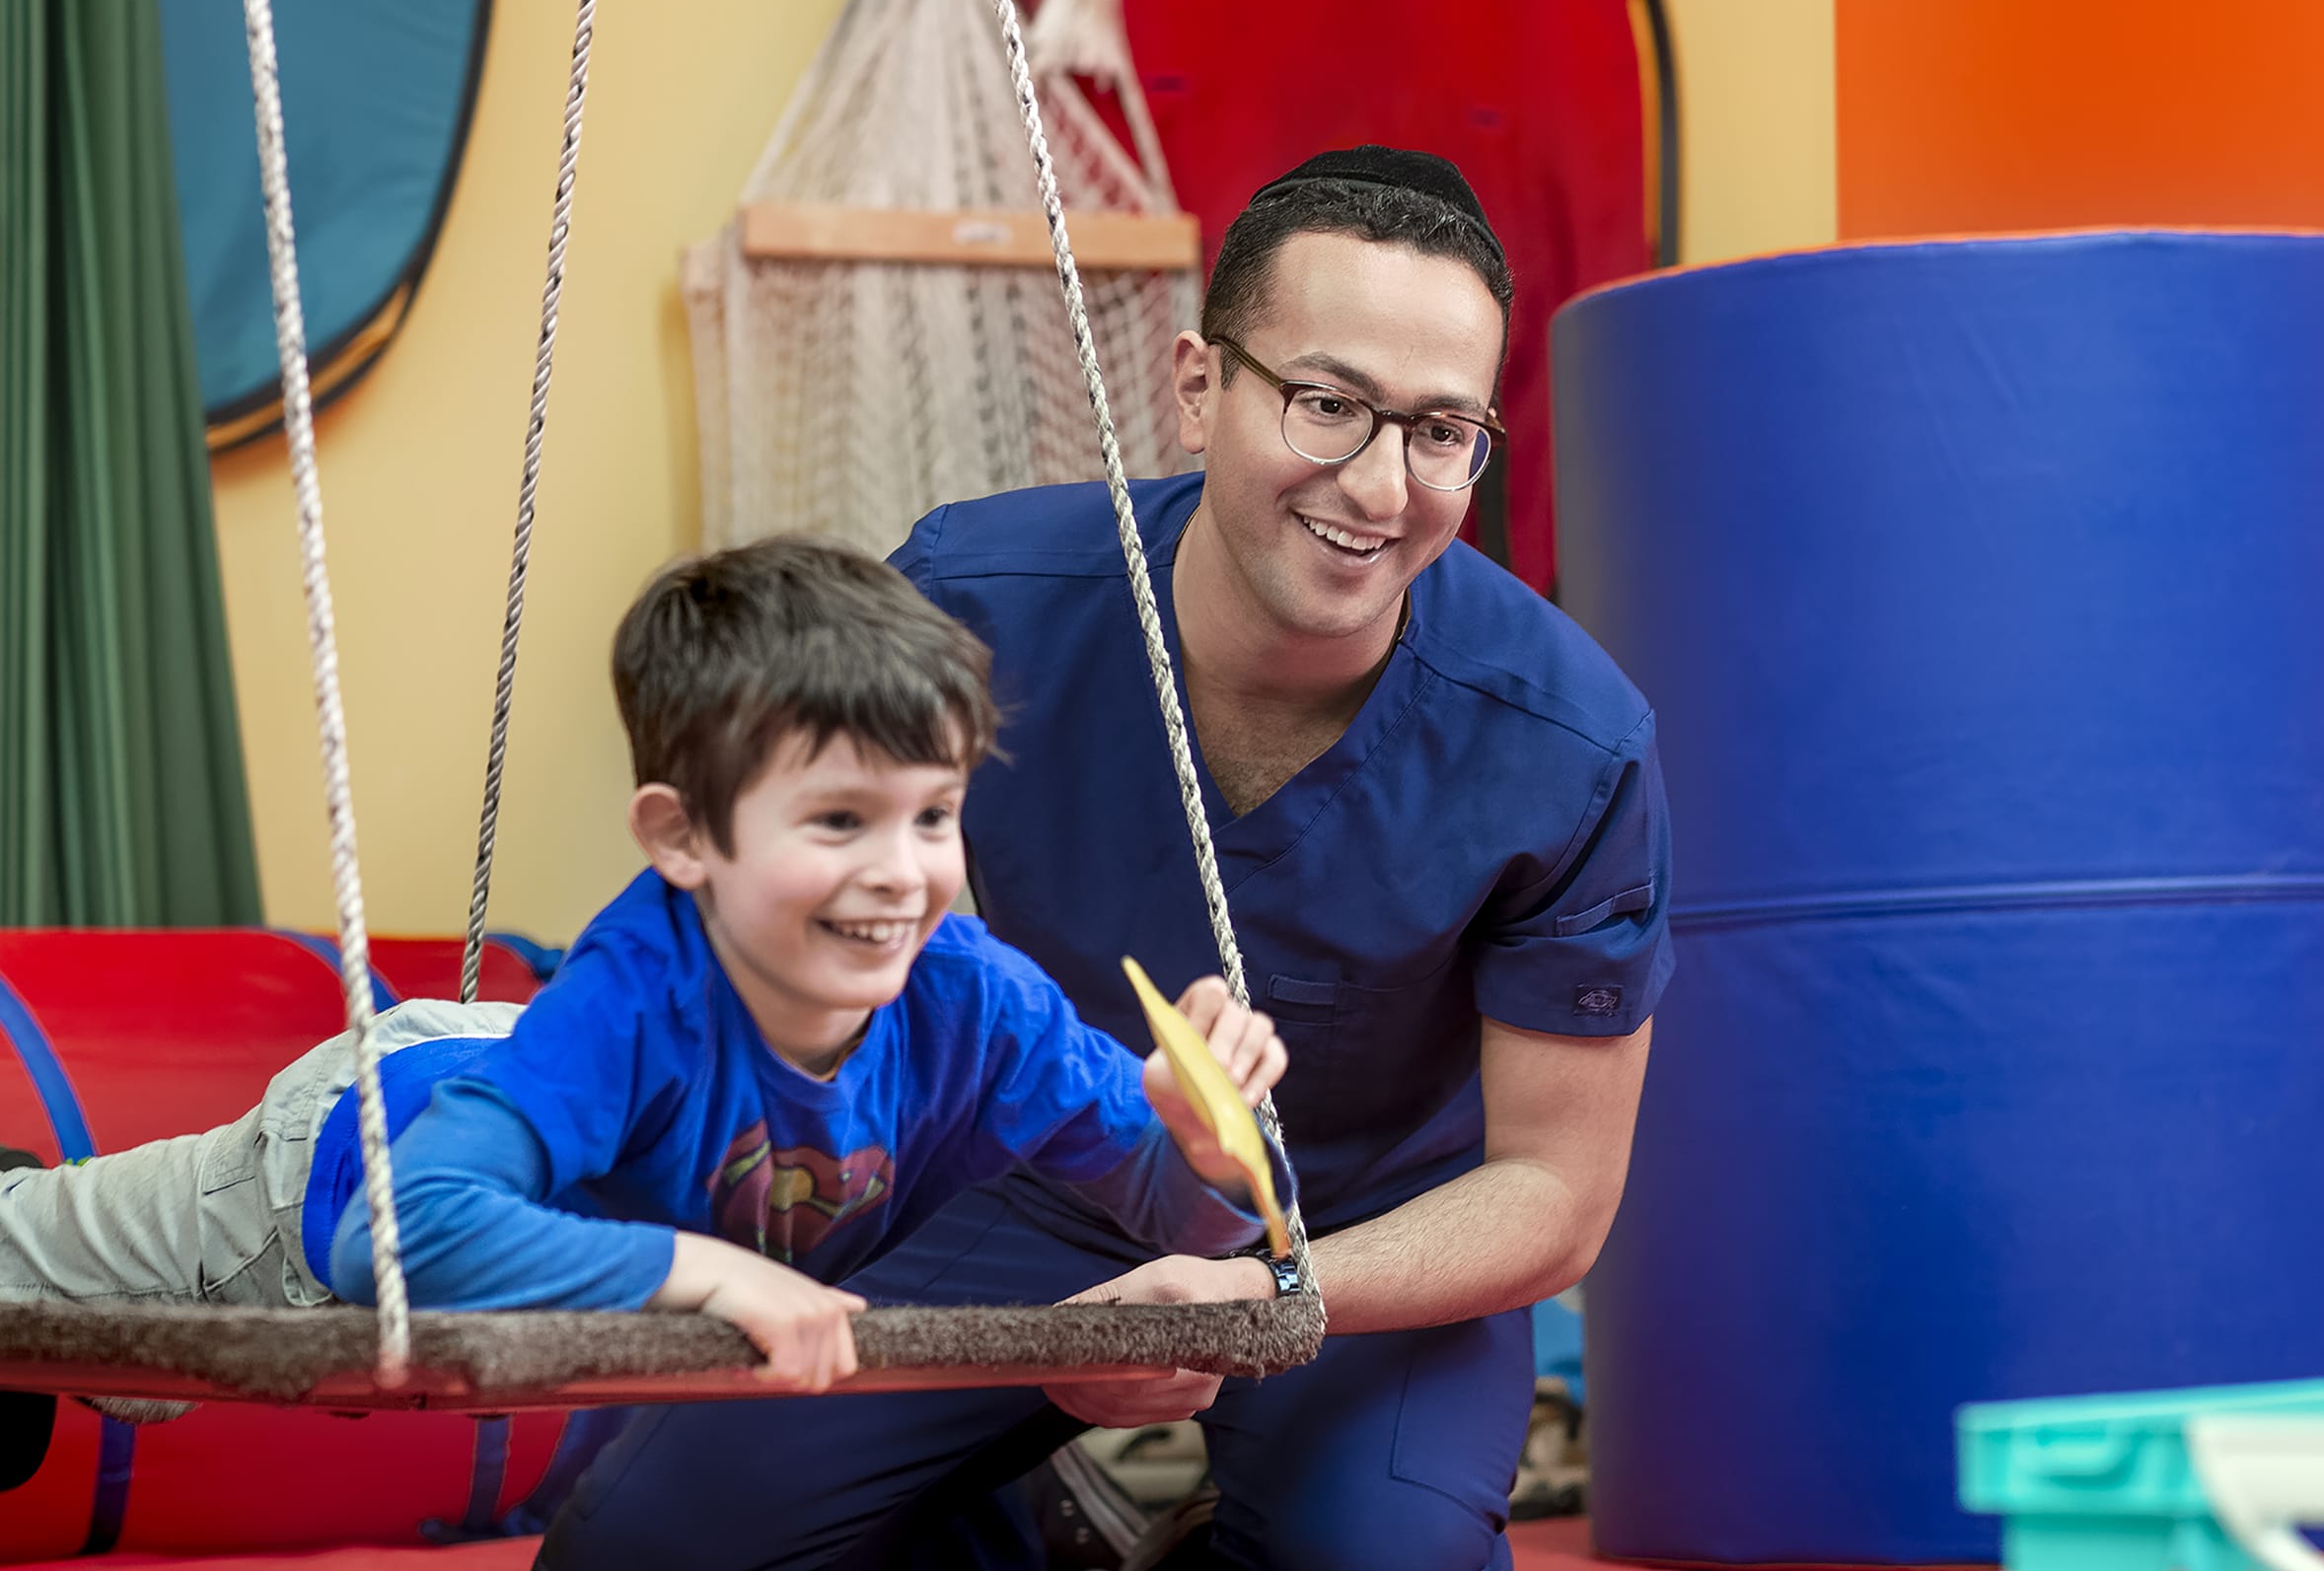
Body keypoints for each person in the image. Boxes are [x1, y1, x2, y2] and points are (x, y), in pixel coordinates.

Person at [543, 147, 1672, 1571]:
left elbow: (1555, 1196)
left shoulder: (1569, 741)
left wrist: (1260, 1285)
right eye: (1328, 405)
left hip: (1365, 1248)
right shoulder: (970, 602)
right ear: (1200, 384)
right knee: (644, 1547)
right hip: (1026, 1183)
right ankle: (1012, 1521)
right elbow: (813, 959)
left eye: (1441, 430)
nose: (1382, 485)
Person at [0, 537, 1288, 1407]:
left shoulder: (977, 1005)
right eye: (838, 821)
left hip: (534, 1076)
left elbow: (1190, 1226)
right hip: (337, 1164)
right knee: (28, 1274)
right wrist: (714, 1275)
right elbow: (410, 1229)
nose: (900, 871)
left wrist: (1204, 1155)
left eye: (934, 815)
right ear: (681, 837)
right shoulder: (645, 983)